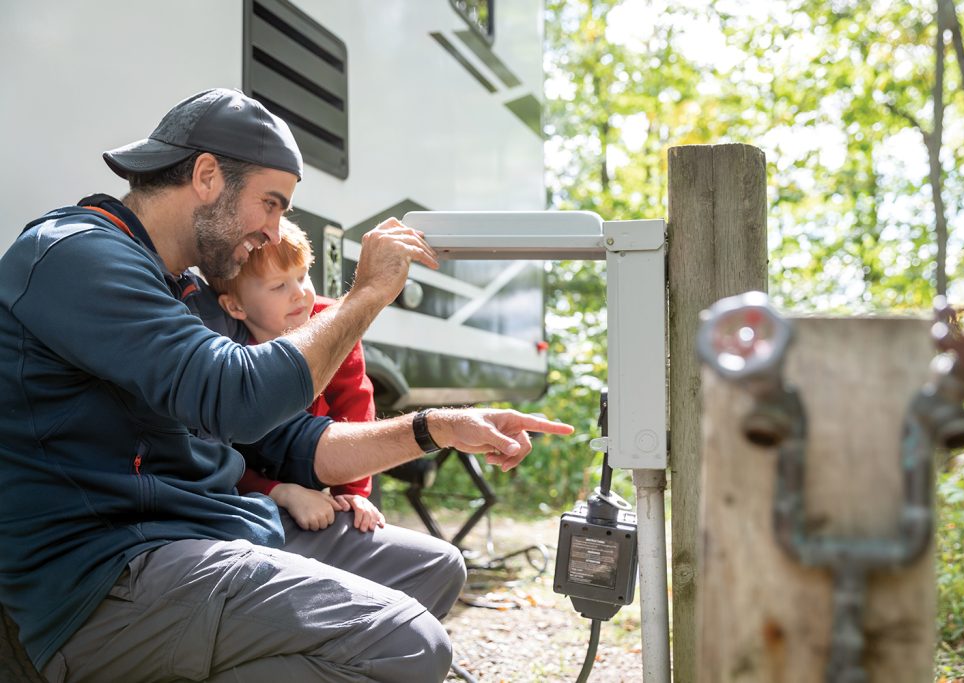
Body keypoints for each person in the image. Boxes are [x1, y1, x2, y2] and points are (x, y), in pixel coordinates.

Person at [0, 88, 573, 683]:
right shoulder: (74, 255)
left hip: (208, 535)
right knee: (409, 643)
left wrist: (438, 428)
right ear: (205, 176)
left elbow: (289, 441)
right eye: (270, 205)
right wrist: (366, 296)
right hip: (112, 576)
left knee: (433, 570)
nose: (274, 233)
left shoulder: (182, 288)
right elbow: (236, 399)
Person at [205, 216, 383, 533]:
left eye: (303, 276)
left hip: (318, 459)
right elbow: (222, 452)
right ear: (235, 307)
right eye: (279, 286)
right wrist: (279, 491)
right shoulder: (228, 352)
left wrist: (351, 492)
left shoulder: (334, 325)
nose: (299, 293)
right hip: (248, 487)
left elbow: (355, 405)